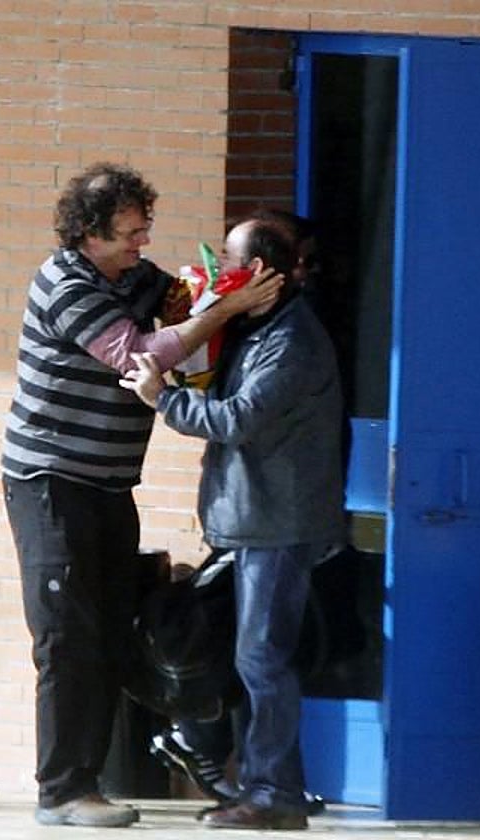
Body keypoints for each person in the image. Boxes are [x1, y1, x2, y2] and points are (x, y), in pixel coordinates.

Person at [1, 162, 282, 828]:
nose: (142, 242)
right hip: (52, 483)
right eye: (130, 232)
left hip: (109, 483)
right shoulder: (65, 283)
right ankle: (61, 790)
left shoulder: (134, 277)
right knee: (66, 637)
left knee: (107, 632)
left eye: (143, 228)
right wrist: (224, 310)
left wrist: (213, 292)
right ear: (90, 233)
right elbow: (138, 354)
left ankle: (89, 781)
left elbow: (180, 301)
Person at [120, 217, 346, 830]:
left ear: (259, 271)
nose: (217, 269)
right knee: (241, 657)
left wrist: (161, 397)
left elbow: (236, 419)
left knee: (262, 660)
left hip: (278, 526)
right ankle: (246, 777)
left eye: (227, 259)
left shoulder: (292, 341)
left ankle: (275, 795)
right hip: (247, 521)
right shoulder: (255, 328)